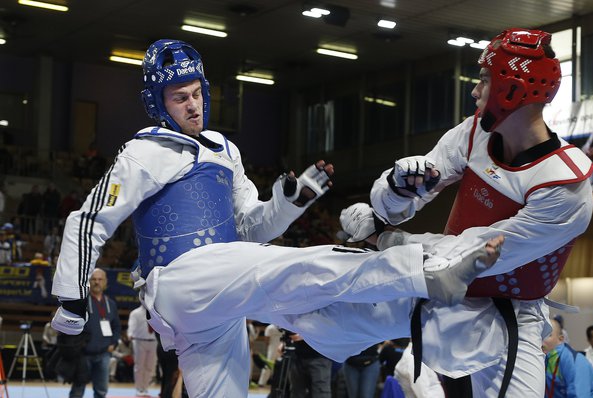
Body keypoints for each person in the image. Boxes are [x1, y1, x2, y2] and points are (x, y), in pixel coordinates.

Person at [50, 39, 504, 398]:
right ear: (157, 103)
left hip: (221, 297)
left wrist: (289, 201)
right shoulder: (145, 151)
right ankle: (424, 273)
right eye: (178, 97)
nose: (192, 105)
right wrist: (71, 304)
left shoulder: (225, 152)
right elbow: (88, 221)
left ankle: (422, 318)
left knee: (321, 319)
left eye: (196, 94)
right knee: (293, 267)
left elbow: (250, 228)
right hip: (178, 283)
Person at [368, 28, 593, 397]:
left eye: (485, 80)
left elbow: (484, 254)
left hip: (507, 316)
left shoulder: (564, 182)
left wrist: (394, 242)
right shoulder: (474, 133)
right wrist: (395, 191)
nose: (475, 91)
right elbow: (394, 207)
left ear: (512, 88)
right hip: (439, 298)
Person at [69, 268, 121, 398]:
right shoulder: (82, 302)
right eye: (94, 279)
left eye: (100, 279)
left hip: (104, 354)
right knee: (77, 389)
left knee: (101, 390)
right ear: (89, 282)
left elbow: (116, 327)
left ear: (105, 282)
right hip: (83, 354)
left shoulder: (111, 304)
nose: (97, 282)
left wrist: (113, 343)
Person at [543, 319, 593, 398]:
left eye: (547, 335)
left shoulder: (574, 360)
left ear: (561, 338)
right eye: (539, 335)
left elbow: (579, 395)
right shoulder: (546, 358)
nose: (542, 340)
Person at [128, 303, 158, 396]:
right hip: (139, 341)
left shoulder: (156, 313)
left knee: (150, 367)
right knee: (139, 366)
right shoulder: (135, 313)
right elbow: (131, 325)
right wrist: (130, 334)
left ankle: (145, 388)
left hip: (154, 341)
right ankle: (139, 388)